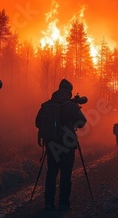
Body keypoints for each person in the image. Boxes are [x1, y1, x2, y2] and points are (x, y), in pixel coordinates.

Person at [41, 79, 87, 211]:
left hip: (51, 146)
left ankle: (49, 202)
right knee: (65, 176)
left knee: (51, 174)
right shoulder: (71, 106)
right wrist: (74, 113)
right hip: (67, 147)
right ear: (69, 91)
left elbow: (38, 122)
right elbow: (82, 122)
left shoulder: (48, 105)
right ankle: (63, 203)